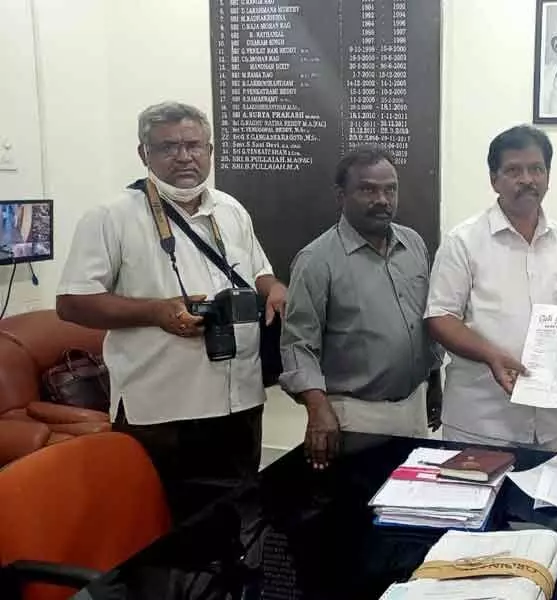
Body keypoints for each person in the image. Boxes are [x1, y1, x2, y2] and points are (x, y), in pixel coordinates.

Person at [56, 101, 286, 518]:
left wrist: (273, 289)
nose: (184, 156)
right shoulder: (111, 217)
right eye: (168, 147)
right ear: (144, 154)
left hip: (240, 401)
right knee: (167, 539)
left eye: (194, 145)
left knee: (239, 523)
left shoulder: (230, 209)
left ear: (210, 151)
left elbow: (259, 271)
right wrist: (156, 311)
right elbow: (72, 303)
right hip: (163, 410)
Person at [425, 125, 557, 451]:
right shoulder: (464, 242)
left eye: (536, 169)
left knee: (544, 504)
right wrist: (491, 355)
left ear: (548, 176)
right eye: (513, 170)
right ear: (494, 180)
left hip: (553, 424)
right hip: (481, 423)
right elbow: (439, 317)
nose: (527, 179)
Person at [280, 147, 441, 470]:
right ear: (341, 195)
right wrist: (317, 408)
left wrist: (435, 380)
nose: (382, 199)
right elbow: (298, 344)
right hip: (354, 414)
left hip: (414, 405)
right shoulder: (316, 261)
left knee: (405, 507)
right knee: (355, 510)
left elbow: (425, 322)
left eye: (390, 189)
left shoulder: (414, 244)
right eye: (368, 189)